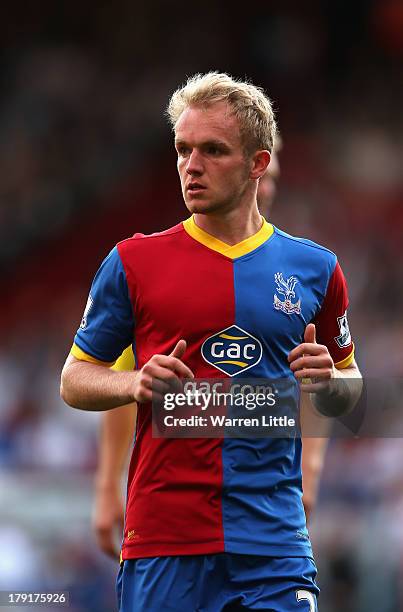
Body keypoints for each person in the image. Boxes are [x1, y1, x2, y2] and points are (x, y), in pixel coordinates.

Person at [61, 72, 362, 612]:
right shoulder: (133, 262)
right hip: (165, 543)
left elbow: (348, 392)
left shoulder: (316, 269)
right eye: (182, 149)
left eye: (212, 150)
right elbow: (74, 380)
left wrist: (329, 382)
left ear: (258, 163)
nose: (190, 166)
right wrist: (134, 381)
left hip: (274, 547)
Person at [92, 134, 330, 560]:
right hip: (174, 520)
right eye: (185, 152)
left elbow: (327, 384)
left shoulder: (303, 271)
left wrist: (309, 471)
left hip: (269, 519)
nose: (268, 188)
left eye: (274, 177)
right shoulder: (155, 267)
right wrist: (108, 483)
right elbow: (124, 383)